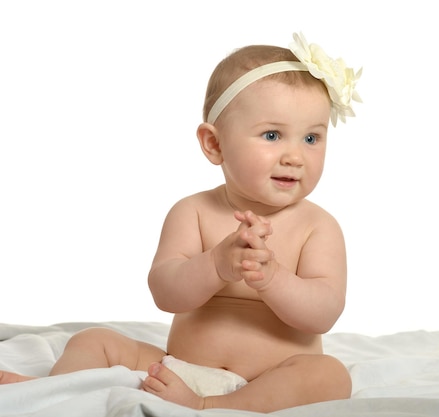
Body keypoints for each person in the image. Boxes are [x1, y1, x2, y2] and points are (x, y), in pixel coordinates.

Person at [0, 32, 361, 412]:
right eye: (272, 135)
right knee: (94, 340)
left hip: (271, 378)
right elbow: (166, 292)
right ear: (214, 144)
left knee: (330, 375)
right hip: (178, 370)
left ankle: (210, 406)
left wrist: (273, 279)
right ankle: (56, 386)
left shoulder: (318, 227)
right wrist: (217, 264)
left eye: (311, 138)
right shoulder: (193, 211)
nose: (295, 156)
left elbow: (323, 313)